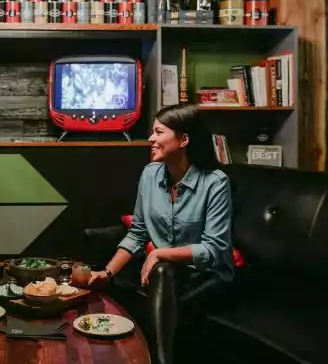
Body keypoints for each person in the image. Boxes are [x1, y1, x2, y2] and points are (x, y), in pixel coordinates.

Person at [88, 104, 233, 364]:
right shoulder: (150, 174)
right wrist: (106, 274)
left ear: (184, 139)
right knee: (155, 274)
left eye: (158, 132)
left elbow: (214, 249)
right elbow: (138, 232)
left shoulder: (215, 182)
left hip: (205, 275)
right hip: (164, 274)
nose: (150, 138)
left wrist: (161, 254)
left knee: (163, 269)